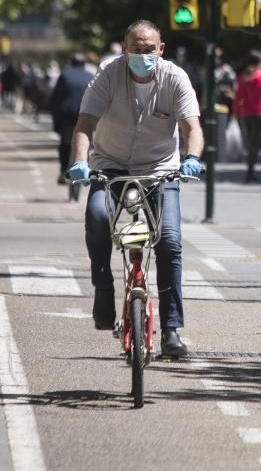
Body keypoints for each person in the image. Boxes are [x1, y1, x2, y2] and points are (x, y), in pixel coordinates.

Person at [67, 20, 205, 358]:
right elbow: (85, 124)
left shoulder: (175, 78)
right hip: (110, 166)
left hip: (160, 170)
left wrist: (192, 158)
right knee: (98, 217)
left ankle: (171, 330)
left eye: (149, 50)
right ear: (124, 48)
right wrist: (81, 162)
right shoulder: (107, 75)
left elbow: (193, 129)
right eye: (135, 49)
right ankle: (102, 288)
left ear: (161, 50)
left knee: (170, 241)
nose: (142, 55)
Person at [49, 53, 94, 185]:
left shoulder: (64, 75)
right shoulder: (90, 76)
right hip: (86, 115)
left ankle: (64, 170)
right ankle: (86, 167)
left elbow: (56, 97)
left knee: (65, 143)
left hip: (67, 114)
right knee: (87, 142)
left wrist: (53, 112)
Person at [234, 50, 261, 182]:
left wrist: (236, 112)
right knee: (256, 143)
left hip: (246, 113)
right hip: (260, 113)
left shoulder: (244, 76)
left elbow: (238, 96)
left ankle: (249, 170)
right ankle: (250, 170)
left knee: (250, 141)